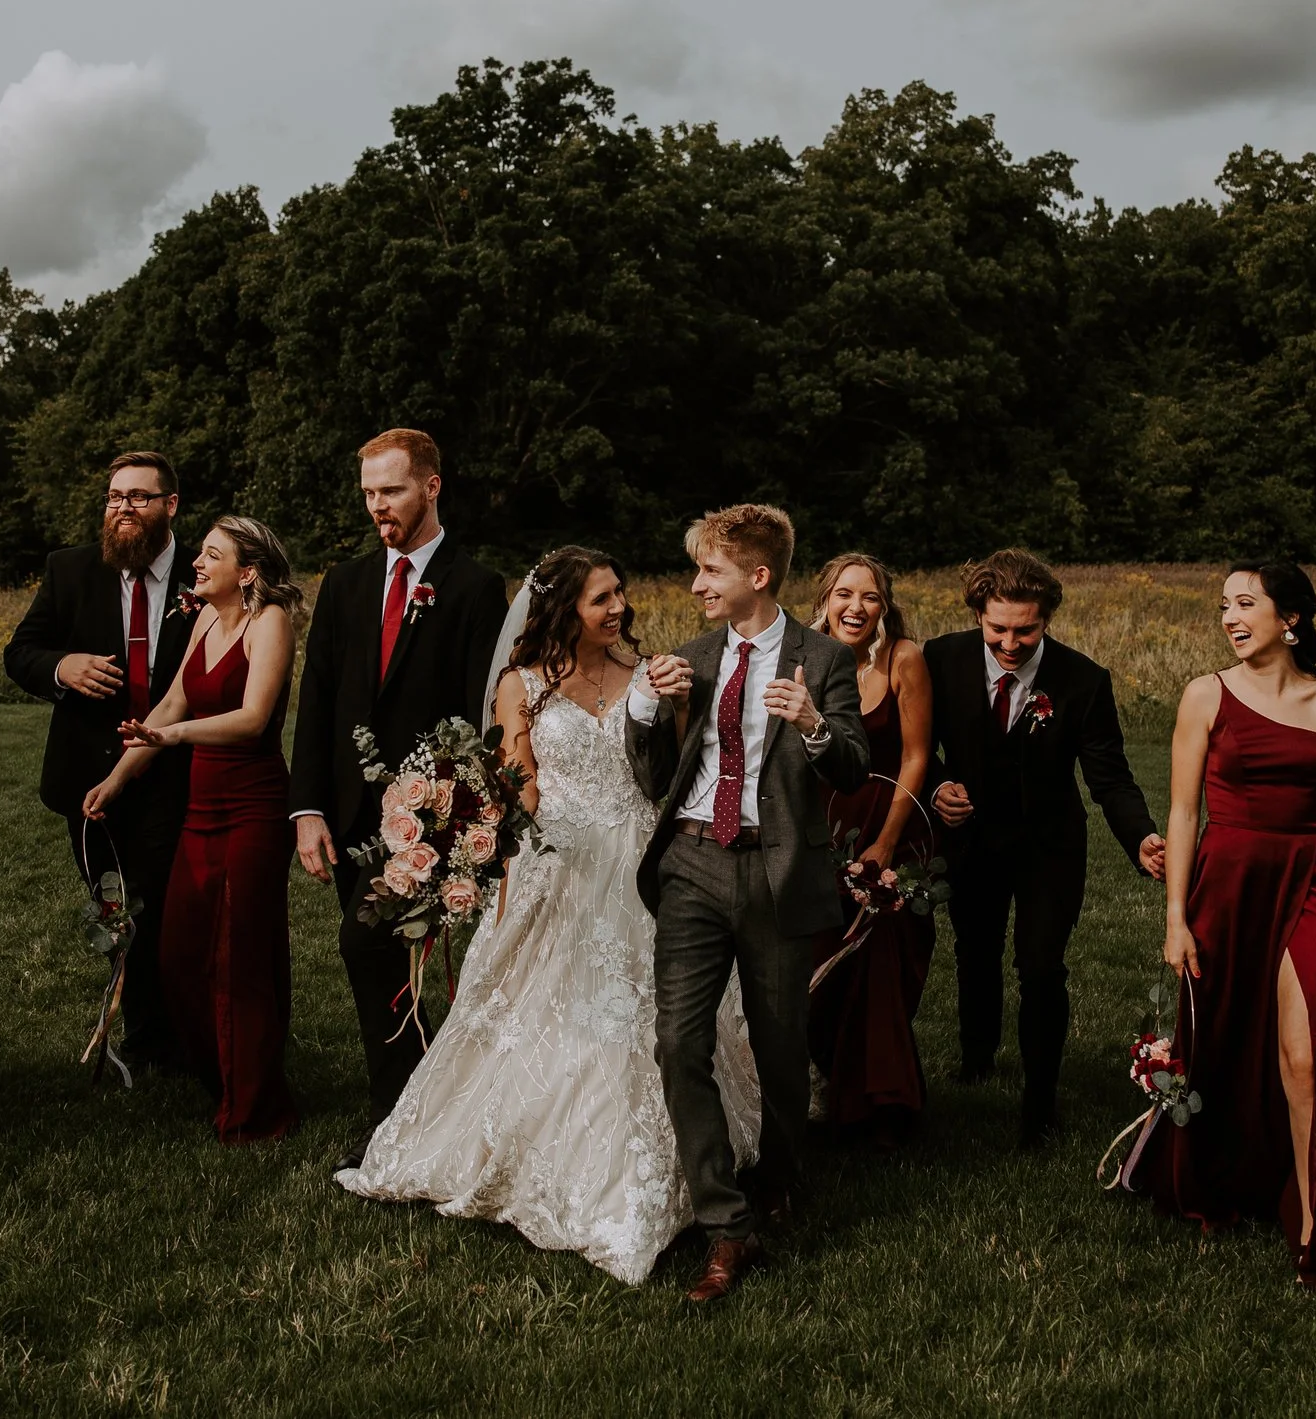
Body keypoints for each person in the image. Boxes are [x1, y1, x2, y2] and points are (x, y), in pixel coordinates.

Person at [339, 547, 764, 1282]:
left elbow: (668, 772)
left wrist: (683, 701)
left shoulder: (645, 672)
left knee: (648, 1015)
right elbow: (522, 783)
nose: (619, 608)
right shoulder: (521, 684)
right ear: (564, 609)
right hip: (559, 857)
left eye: (620, 593)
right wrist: (483, 852)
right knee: (541, 1008)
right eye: (602, 598)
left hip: (638, 854)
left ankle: (665, 1172)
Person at [626, 504, 870, 1302]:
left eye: (711, 571)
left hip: (777, 870)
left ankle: (785, 1185)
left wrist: (813, 727)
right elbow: (654, 775)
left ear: (757, 577)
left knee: (778, 1048)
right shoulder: (692, 656)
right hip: (692, 862)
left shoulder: (824, 658)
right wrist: (650, 709)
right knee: (677, 1040)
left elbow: (853, 767)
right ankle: (726, 1223)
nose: (697, 583)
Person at [1141, 563, 1316, 1290]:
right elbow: (1185, 812)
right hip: (1229, 884)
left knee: (1307, 1053)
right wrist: (1176, 916)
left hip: (1315, 882)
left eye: (1245, 602)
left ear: (1293, 618)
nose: (1229, 616)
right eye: (1224, 604)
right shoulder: (1205, 695)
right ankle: (1220, 1184)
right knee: (1221, 1043)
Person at [289, 429, 505, 1158]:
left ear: (432, 486)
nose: (379, 506)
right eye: (370, 493)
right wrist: (308, 808)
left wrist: (456, 812)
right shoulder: (346, 583)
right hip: (348, 812)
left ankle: (395, 1115)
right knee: (382, 966)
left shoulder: (476, 586)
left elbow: (479, 711)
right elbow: (317, 698)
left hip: (429, 816)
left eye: (393, 490)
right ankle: (421, 1104)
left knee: (365, 943)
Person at [924, 550, 1164, 1148]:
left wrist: (1141, 837)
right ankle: (976, 1059)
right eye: (998, 628)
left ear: (1047, 619)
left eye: (1025, 630)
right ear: (978, 613)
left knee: (1040, 967)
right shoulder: (940, 660)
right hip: (970, 840)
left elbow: (1109, 777)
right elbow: (915, 746)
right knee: (975, 952)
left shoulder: (1083, 680)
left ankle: (1041, 1102)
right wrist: (935, 784)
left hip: (1048, 847)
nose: (1010, 642)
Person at [89, 517, 302, 1142]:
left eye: (213, 555)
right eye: (201, 553)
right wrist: (120, 778)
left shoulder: (270, 623)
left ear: (249, 571)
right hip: (201, 805)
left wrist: (174, 736)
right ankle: (220, 1076)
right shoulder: (205, 620)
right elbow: (172, 705)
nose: (198, 563)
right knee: (180, 952)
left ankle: (256, 1104)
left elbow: (254, 718)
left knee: (241, 955)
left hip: (253, 804)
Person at [2, 452, 200, 1074]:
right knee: (122, 909)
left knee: (176, 911)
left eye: (139, 497)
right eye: (115, 497)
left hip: (180, 771)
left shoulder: (208, 570)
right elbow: (20, 652)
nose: (122, 508)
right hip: (91, 776)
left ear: (170, 505)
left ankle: (171, 1040)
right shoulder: (71, 570)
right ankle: (144, 1042)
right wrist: (61, 668)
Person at [803, 554, 937, 1149]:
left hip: (891, 824)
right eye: (844, 594)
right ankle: (824, 1078)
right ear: (825, 600)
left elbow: (915, 756)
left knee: (884, 951)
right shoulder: (801, 658)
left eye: (871, 597)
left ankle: (882, 1103)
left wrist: (885, 843)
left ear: (886, 605)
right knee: (821, 962)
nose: (855, 607)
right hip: (820, 830)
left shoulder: (904, 659)